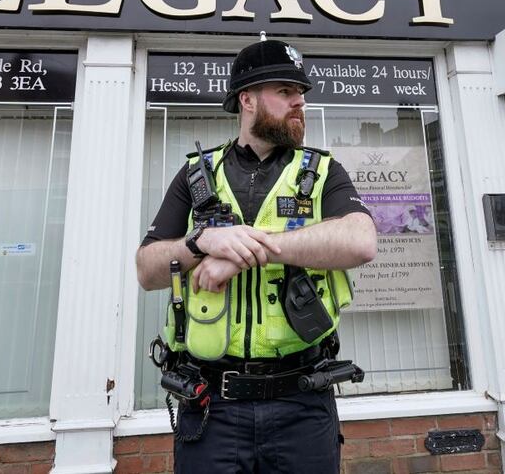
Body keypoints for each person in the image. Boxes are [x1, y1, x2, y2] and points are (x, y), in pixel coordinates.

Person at [135, 37, 377, 474]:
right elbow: (148, 270)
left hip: (302, 401)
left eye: (300, 92)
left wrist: (246, 251)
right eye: (285, 91)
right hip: (211, 406)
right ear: (247, 99)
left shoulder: (323, 171)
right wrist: (199, 242)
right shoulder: (196, 173)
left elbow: (361, 241)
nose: (299, 101)